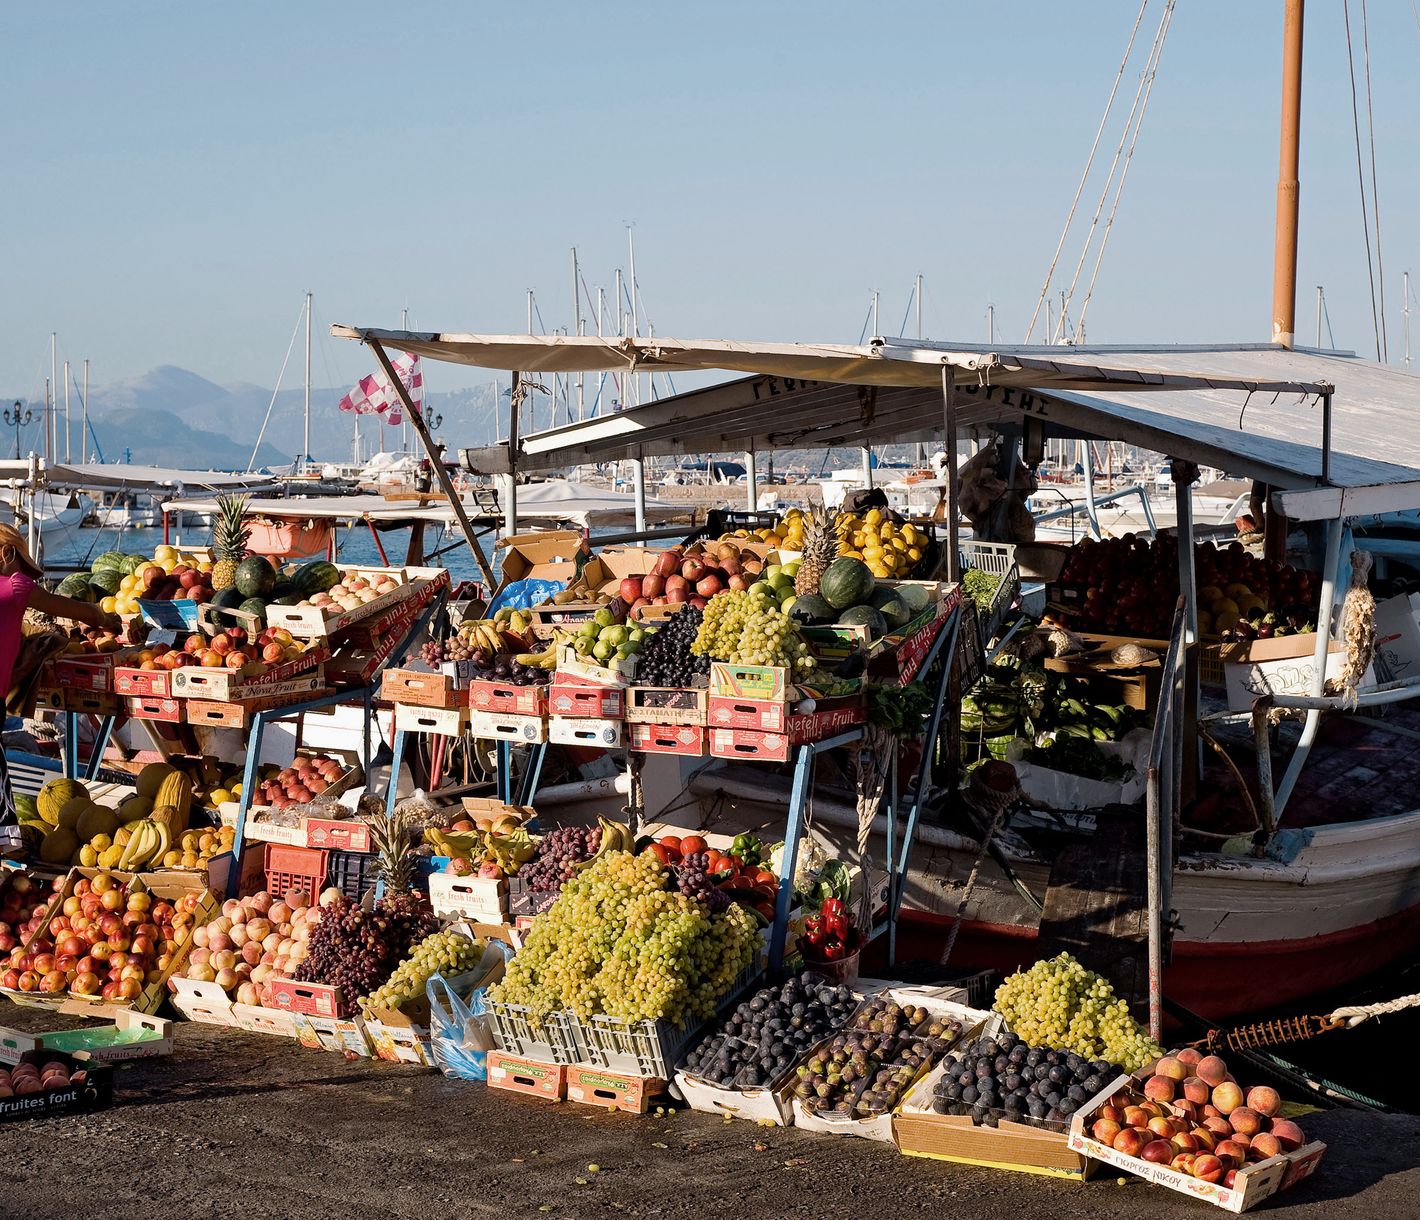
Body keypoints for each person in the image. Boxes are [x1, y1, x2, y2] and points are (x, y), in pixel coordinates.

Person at [0, 523, 122, 832]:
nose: (24, 573)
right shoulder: (16, 587)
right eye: (21, 564)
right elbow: (80, 612)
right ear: (7, 553)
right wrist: (108, 620)